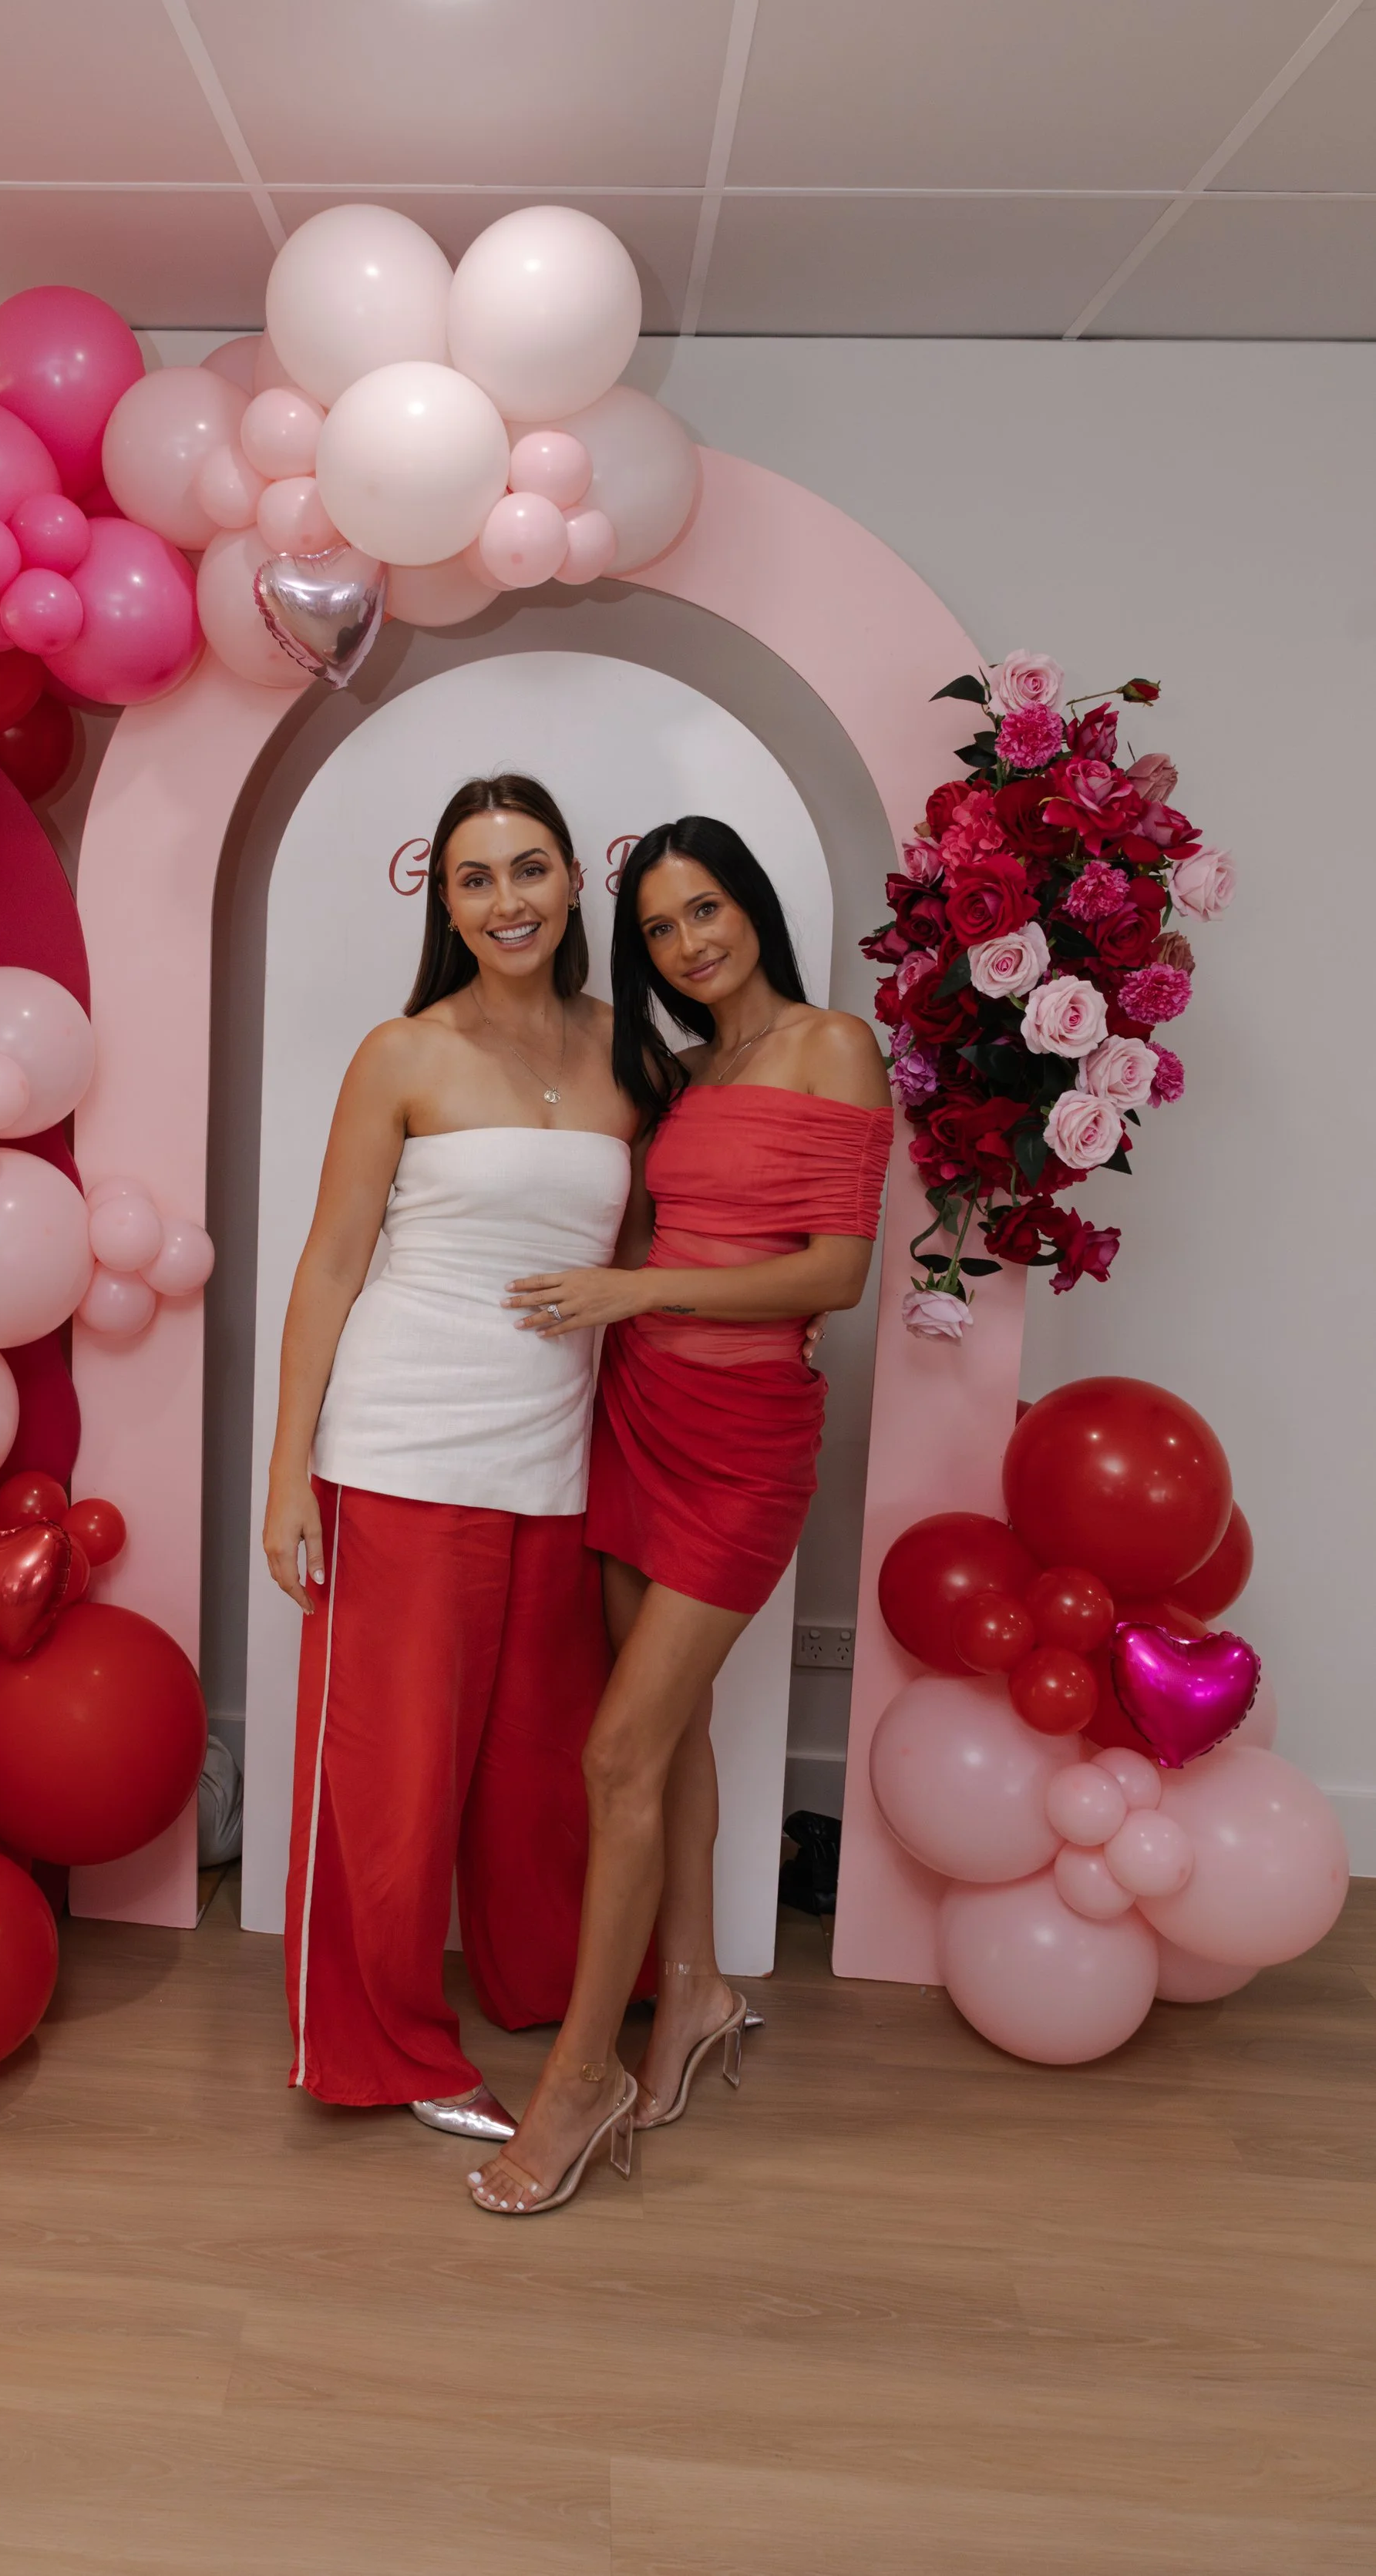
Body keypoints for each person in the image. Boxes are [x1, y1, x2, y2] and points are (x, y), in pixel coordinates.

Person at [467, 816, 892, 2214]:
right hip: (637, 1423)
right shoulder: (686, 1076)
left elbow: (831, 1276)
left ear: (753, 907)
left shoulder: (834, 1046)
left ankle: (581, 2076)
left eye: (706, 909)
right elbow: (644, 1242)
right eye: (660, 927)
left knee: (615, 1758)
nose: (690, 943)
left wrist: (640, 1295)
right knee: (675, 1734)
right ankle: (695, 1989)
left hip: (743, 1448)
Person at [264, 772, 637, 2137]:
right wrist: (287, 1466)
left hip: (553, 1456)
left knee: (542, 1763)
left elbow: (645, 1251)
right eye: (474, 879)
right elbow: (331, 1262)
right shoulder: (402, 1052)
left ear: (573, 879)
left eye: (527, 869)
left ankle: (554, 1988)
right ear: (445, 899)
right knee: (393, 1778)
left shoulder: (620, 1047)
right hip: (403, 1448)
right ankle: (379, 2045)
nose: (505, 901)